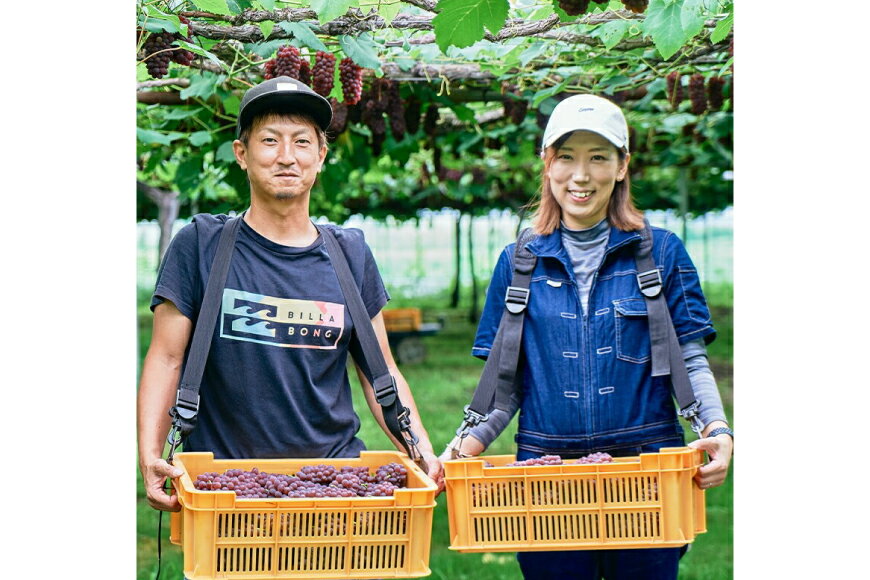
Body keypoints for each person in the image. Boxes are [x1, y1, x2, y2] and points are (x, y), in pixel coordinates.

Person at [441, 94, 733, 580]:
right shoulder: (517, 264)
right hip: (549, 474)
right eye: (567, 157)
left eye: (598, 157)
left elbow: (690, 357)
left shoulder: (660, 252)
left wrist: (717, 431)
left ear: (622, 166)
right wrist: (456, 454)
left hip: (648, 470)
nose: (581, 175)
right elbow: (504, 388)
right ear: (547, 162)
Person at [138, 76, 444, 513]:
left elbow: (383, 373)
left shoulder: (350, 253)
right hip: (225, 490)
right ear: (241, 154)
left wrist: (422, 450)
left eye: (302, 142)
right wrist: (150, 457)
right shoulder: (201, 244)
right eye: (269, 140)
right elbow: (166, 358)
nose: (287, 157)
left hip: (333, 487)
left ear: (320, 157)